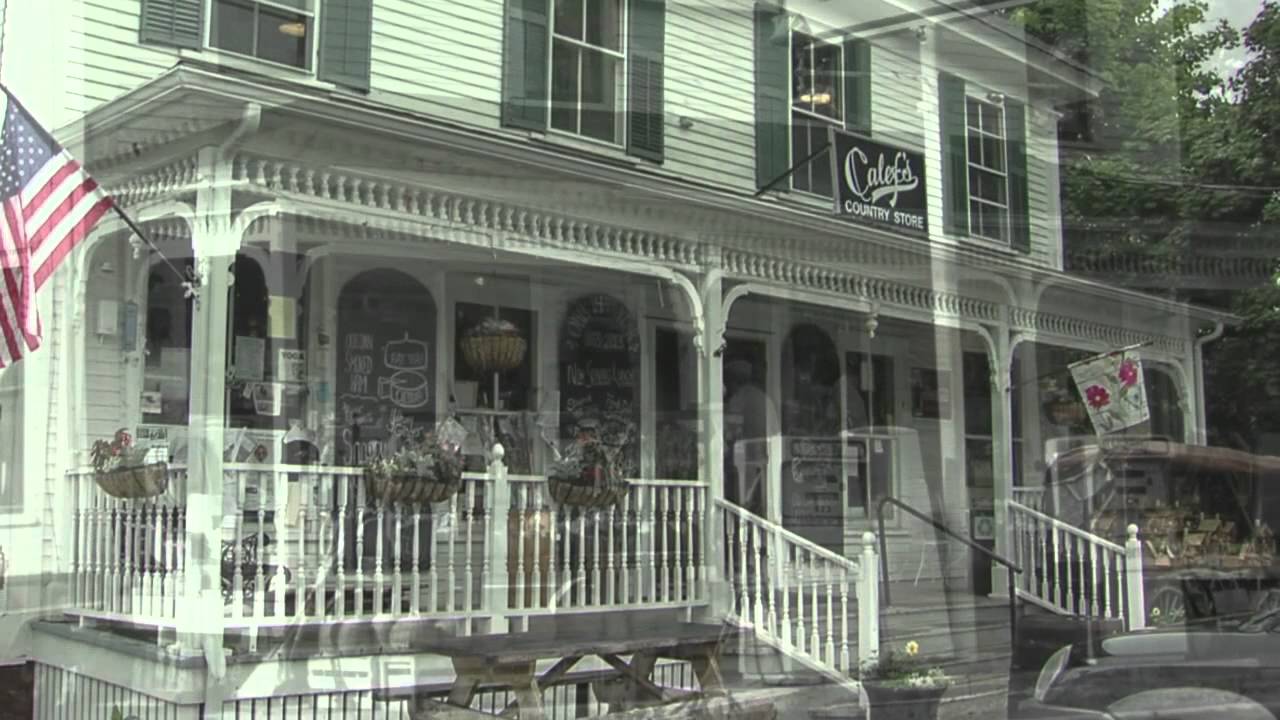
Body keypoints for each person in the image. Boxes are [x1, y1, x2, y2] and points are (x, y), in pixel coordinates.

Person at [724, 358, 778, 517]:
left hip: (748, 457)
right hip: (768, 457)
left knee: (743, 500)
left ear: (734, 382)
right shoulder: (765, 398)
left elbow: (729, 428)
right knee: (762, 500)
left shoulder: (741, 397)